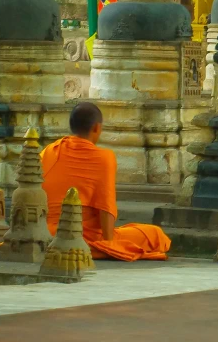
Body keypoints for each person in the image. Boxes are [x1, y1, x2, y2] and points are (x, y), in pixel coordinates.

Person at [39, 102, 171, 261]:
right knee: (155, 235)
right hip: (80, 234)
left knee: (129, 230)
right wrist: (109, 245)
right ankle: (100, 248)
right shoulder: (104, 157)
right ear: (96, 127)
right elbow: (105, 207)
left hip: (44, 233)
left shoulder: (49, 151)